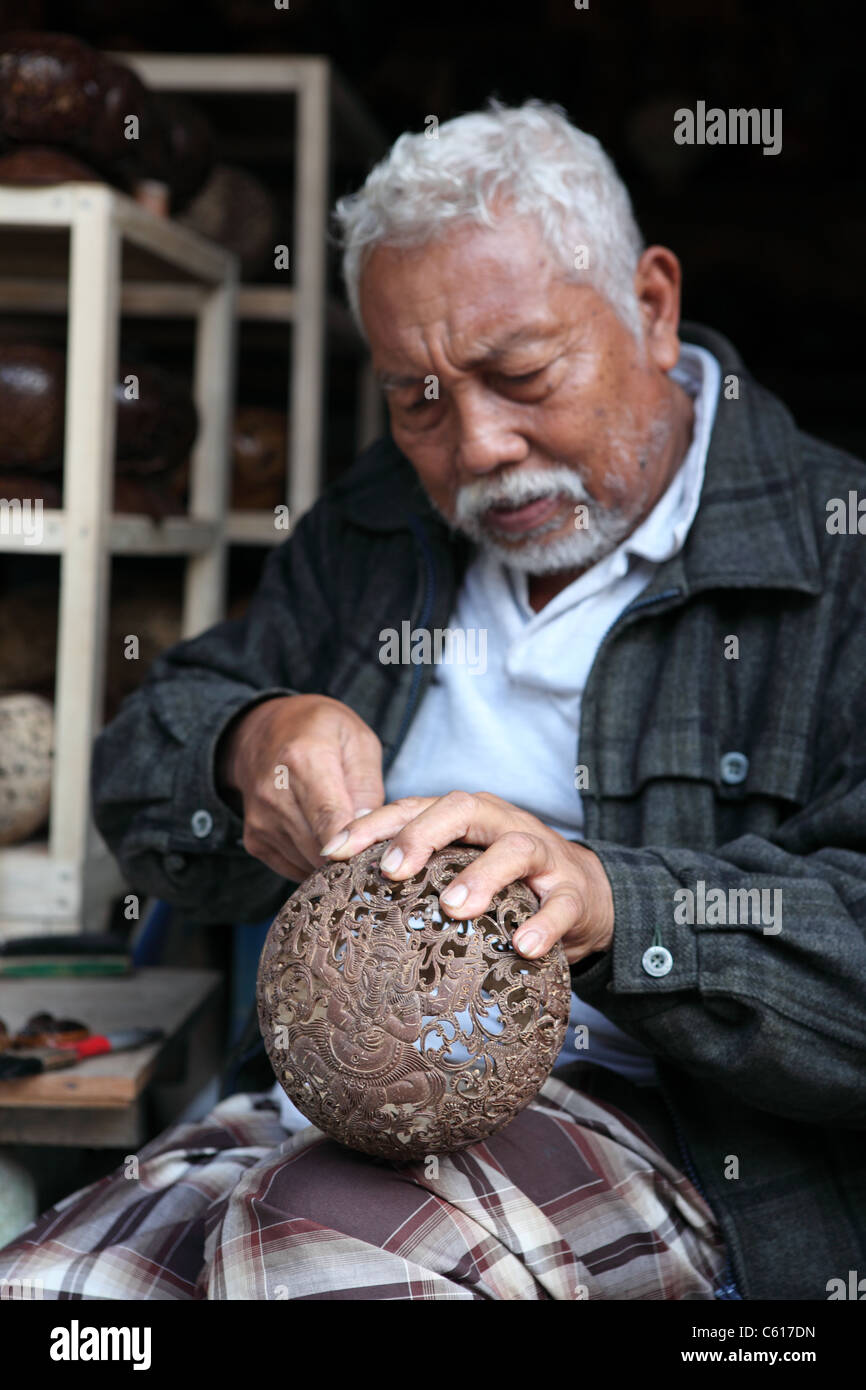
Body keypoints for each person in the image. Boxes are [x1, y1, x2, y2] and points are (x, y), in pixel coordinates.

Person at [1, 100, 863, 1302]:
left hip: (682, 1144)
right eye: (416, 399)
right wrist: (246, 743)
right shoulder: (370, 531)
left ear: (650, 308)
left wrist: (611, 900)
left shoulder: (838, 557)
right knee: (51, 1292)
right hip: (318, 1106)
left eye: (519, 372)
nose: (478, 446)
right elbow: (141, 759)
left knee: (315, 1246)